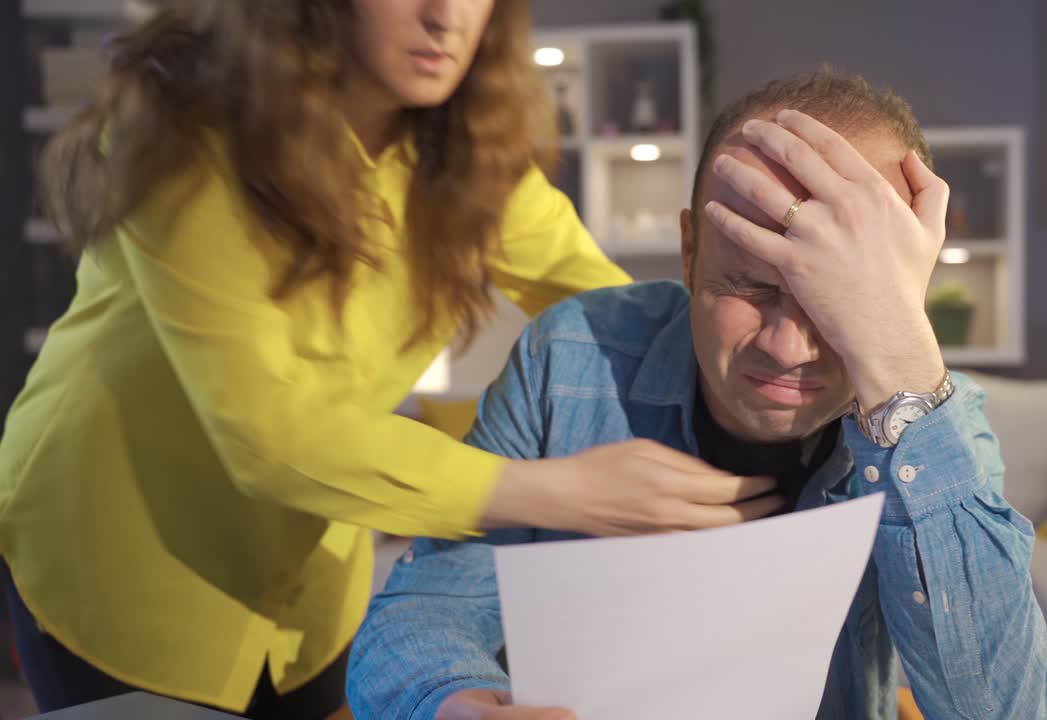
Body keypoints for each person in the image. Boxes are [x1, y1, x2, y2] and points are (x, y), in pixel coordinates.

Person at [0, 1, 782, 717]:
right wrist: (563, 492)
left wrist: (771, 360)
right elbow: (269, 434)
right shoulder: (183, 134)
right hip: (122, 556)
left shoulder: (466, 162)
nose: (446, 16)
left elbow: (612, 312)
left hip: (311, 589)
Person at [346, 70, 1047, 720]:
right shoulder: (569, 359)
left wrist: (898, 360)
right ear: (689, 251)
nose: (786, 346)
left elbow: (1002, 710)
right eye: (748, 286)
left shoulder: (936, 429)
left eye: (834, 303)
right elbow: (425, 610)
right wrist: (454, 703)